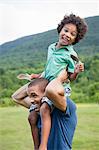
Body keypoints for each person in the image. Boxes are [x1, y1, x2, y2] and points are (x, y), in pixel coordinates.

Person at [12, 14, 88, 150]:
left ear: (76, 39)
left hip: (59, 88)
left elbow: (70, 77)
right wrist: (38, 76)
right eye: (66, 30)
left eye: (72, 34)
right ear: (60, 30)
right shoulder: (51, 47)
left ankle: (43, 146)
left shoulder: (71, 54)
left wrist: (76, 71)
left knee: (45, 109)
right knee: (32, 117)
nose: (67, 35)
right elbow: (49, 69)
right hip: (46, 85)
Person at [28, 78, 77, 150]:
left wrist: (60, 77)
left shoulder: (64, 105)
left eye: (34, 95)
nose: (31, 101)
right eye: (30, 96)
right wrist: (42, 76)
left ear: (45, 93)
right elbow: (16, 97)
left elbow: (50, 90)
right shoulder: (39, 109)